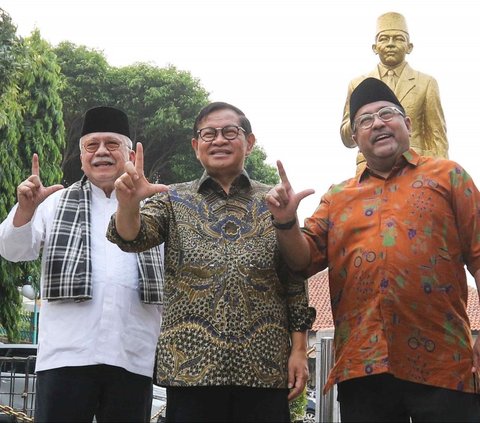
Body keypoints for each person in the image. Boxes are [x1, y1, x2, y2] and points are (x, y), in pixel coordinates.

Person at [266, 78, 480, 421]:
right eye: (365, 121)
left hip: (444, 362)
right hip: (363, 365)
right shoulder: (337, 198)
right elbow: (301, 261)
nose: (377, 123)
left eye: (387, 114)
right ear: (355, 139)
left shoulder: (449, 177)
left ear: (407, 124)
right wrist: (286, 222)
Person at [106, 101, 315, 422]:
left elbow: (294, 277)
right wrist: (128, 205)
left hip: (264, 366)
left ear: (250, 141)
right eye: (208, 134)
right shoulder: (173, 199)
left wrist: (299, 349)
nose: (219, 140)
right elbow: (131, 237)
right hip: (191, 368)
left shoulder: (274, 201)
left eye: (230, 132)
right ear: (195, 145)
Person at [0, 106, 164, 423]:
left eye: (112, 144)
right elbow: (12, 250)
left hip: (132, 356)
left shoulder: (155, 207)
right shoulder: (54, 202)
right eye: (92, 145)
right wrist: (25, 211)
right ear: (82, 154)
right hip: (65, 355)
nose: (101, 152)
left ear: (130, 152)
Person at [340, 11, 448, 173]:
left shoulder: (426, 82)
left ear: (409, 47)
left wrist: (441, 173)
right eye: (384, 39)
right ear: (375, 47)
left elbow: (437, 134)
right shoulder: (358, 84)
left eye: (398, 39)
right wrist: (360, 119)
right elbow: (347, 139)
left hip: (414, 165)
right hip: (369, 167)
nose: (391, 44)